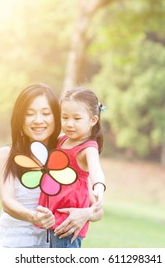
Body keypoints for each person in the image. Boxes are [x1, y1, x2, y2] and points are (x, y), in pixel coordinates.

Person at [0, 83, 102, 248]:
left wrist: (84, 214)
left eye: (46, 113)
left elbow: (97, 208)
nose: (38, 120)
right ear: (20, 118)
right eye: (30, 114)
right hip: (11, 243)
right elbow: (7, 202)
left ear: (56, 116)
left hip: (50, 246)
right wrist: (33, 217)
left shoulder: (65, 154)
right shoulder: (6, 154)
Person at [39, 87, 106, 248]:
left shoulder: (88, 148)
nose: (69, 124)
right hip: (52, 217)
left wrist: (99, 187)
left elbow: (96, 170)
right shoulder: (61, 141)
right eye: (65, 117)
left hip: (68, 222)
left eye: (77, 118)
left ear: (93, 120)